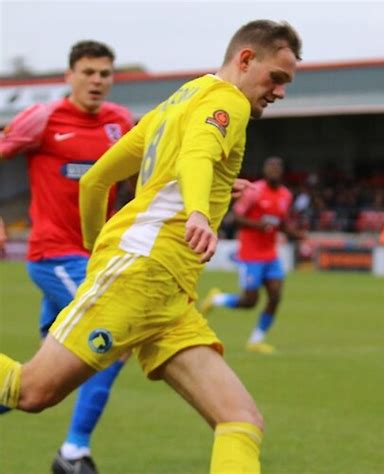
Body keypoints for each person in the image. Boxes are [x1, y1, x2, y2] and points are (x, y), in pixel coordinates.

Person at [0, 20, 302, 473]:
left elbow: (97, 179)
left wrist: (94, 247)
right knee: (32, 392)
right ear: (245, 59)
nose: (279, 91)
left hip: (168, 294)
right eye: (276, 78)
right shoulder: (227, 101)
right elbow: (198, 153)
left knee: (239, 419)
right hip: (144, 271)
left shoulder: (180, 98)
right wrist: (199, 211)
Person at [0, 40, 134, 473]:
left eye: (105, 74)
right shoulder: (42, 119)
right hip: (54, 256)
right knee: (112, 344)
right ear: (69, 75)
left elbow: (151, 170)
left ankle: (72, 453)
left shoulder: (119, 122)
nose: (97, 81)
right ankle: (73, 453)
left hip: (97, 259)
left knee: (46, 381)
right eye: (88, 72)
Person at [201, 156, 305, 354]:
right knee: (249, 301)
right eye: (269, 167)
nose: (273, 171)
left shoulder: (285, 195)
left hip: (270, 254)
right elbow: (235, 217)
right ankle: (216, 299)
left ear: (282, 172)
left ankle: (256, 340)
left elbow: (281, 223)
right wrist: (259, 225)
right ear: (265, 171)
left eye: (276, 168)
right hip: (250, 253)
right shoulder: (254, 191)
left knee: (275, 295)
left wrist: (297, 235)